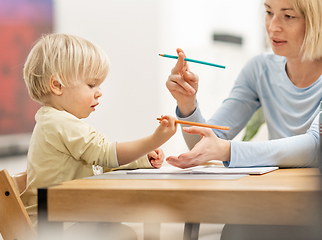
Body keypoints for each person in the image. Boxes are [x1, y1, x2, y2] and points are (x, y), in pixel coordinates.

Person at [20, 33, 177, 239]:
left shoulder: (57, 122)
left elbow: (98, 164)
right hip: (57, 226)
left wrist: (141, 159)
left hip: (68, 218)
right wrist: (155, 140)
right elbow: (105, 154)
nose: (99, 92)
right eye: (91, 85)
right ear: (57, 85)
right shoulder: (58, 123)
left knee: (125, 231)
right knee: (127, 232)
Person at [165, 0, 322, 170]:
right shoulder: (259, 69)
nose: (272, 26)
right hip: (278, 188)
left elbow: (314, 147)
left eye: (288, 16)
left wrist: (228, 150)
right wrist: (187, 104)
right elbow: (205, 145)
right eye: (269, 13)